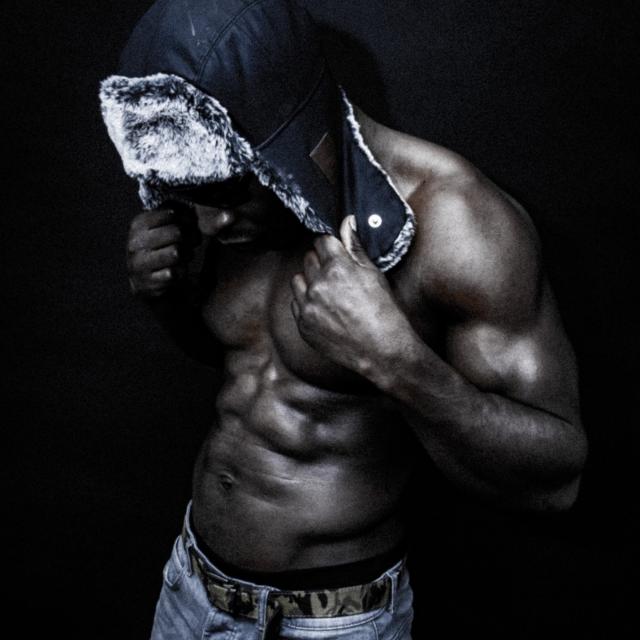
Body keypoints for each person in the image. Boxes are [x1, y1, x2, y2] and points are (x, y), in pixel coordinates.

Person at [99, 1, 588, 638]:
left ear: (295, 139)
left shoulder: (457, 223)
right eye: (197, 197)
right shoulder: (211, 199)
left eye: (230, 193)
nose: (212, 223)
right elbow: (245, 363)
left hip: (334, 621)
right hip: (189, 593)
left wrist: (394, 361)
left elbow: (557, 479)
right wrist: (167, 300)